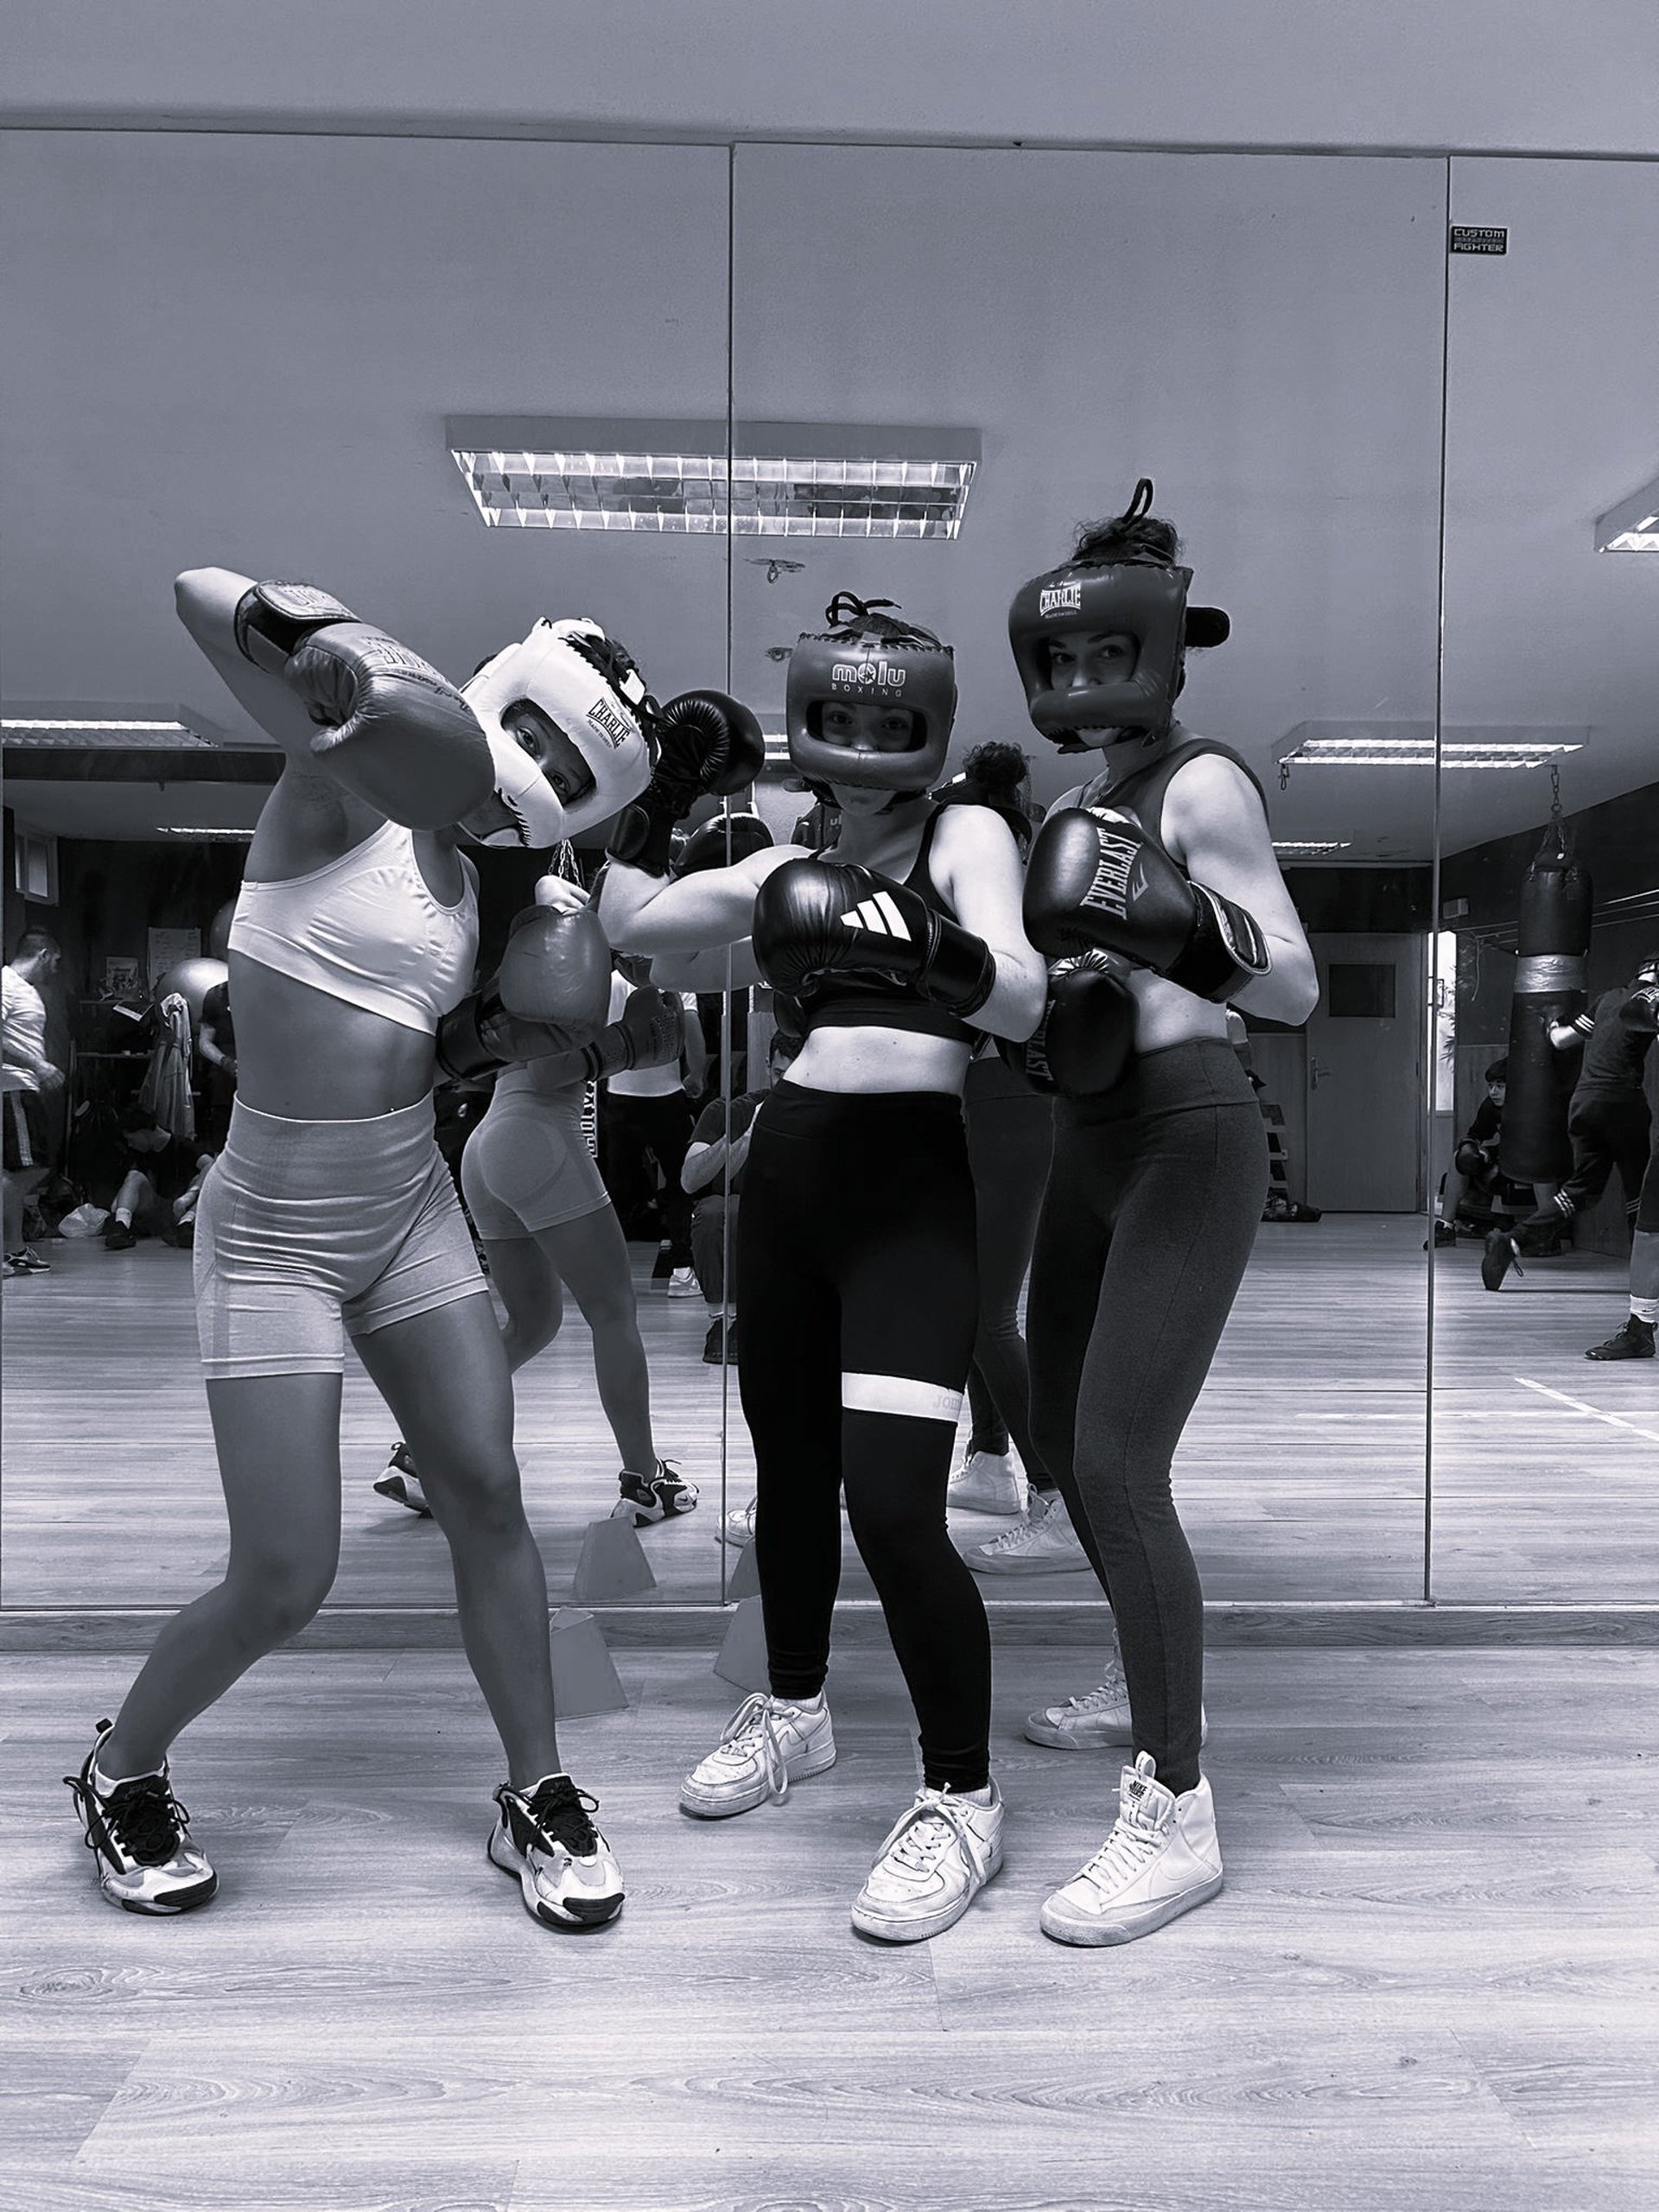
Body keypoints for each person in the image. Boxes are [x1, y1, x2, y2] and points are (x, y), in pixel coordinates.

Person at [63, 580, 657, 1930]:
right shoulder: (339, 792)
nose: (542, 777)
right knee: (287, 1574)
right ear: (495, 697)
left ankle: (536, 1791)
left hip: (407, 1208)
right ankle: (118, 1768)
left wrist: (506, 1038)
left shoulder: (475, 882)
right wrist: (328, 648)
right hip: (272, 1226)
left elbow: (421, 1046)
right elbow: (200, 593)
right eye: (542, 739)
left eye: (573, 773)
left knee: (488, 1497)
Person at [600, 592, 1046, 1944]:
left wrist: (919, 941)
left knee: (898, 1507)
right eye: (833, 718)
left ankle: (962, 1796)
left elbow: (1021, 997)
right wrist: (668, 787)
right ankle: (796, 1712)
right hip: (793, 1169)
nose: (857, 741)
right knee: (786, 1472)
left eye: (880, 719)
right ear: (805, 728)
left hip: (909, 1186)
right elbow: (630, 920)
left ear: (924, 729)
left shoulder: (965, 832)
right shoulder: (792, 858)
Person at [1003, 480, 1319, 1946]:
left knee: (1122, 1464)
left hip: (1186, 1137)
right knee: (1060, 1438)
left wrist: (1184, 926)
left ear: (1162, 646)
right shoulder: (1074, 805)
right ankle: (1144, 1670)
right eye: (1060, 659)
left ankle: (1176, 1808)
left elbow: (1297, 986)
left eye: (1104, 650)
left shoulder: (1198, 787)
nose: (1083, 680)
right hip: (1088, 1135)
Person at [376, 938, 699, 1526]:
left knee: (532, 1324)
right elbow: (553, 1070)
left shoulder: (548, 962)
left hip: (489, 1147)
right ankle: (646, 1481)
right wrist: (626, 1045)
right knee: (612, 1311)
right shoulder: (589, 973)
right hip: (533, 1138)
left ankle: (419, 1458)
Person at [927, 741, 1083, 1561]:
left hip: (1007, 1102)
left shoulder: (1008, 897)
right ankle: (990, 1461)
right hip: (980, 1101)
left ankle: (1058, 1494)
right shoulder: (1009, 881)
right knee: (968, 1308)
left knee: (988, 1317)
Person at [1483, 957, 1657, 1292]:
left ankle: (1512, 1242)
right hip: (1623, 1101)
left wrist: (1549, 1022)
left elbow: (1561, 1040)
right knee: (1640, 1191)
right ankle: (1646, 1280)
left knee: (1580, 1190)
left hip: (1584, 1103)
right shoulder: (1652, 1002)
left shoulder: (1609, 999)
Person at [683, 1028, 799, 1370]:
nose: (786, 1083)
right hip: (738, 1218)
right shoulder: (729, 1111)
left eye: (794, 1075)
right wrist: (747, 1137)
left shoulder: (819, 1112)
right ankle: (725, 1321)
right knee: (719, 1209)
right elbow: (689, 1181)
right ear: (768, 1067)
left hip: (794, 1219)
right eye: (780, 1074)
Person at [3, 927, 64, 1278]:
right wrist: (38, 1065)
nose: (55, 970)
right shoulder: (6, 983)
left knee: (30, 1168)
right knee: (23, 1170)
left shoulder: (27, 990)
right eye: (54, 961)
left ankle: (14, 1249)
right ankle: (10, 1250)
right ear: (42, 955)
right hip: (11, 1088)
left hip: (23, 1088)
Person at [102, 1106, 215, 1249]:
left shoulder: (182, 1145)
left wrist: (190, 1195)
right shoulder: (139, 1153)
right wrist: (120, 1206)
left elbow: (211, 1164)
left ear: (143, 1132)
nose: (130, 1144)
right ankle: (121, 1227)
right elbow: (132, 1185)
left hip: (181, 1210)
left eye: (131, 1139)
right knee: (134, 1176)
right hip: (155, 1212)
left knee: (208, 1177)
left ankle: (186, 1226)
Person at [196, 976, 238, 1153]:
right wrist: (226, 1062)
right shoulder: (216, 996)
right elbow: (204, 1042)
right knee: (221, 1131)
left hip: (260, 1076)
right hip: (224, 1078)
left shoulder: (266, 992)